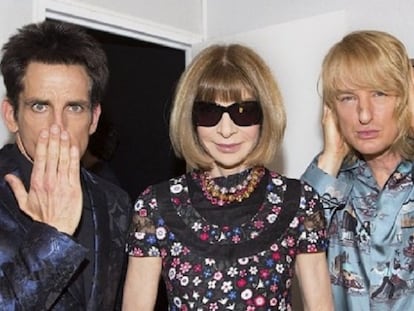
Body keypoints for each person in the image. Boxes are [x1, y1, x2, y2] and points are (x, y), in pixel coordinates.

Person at [122, 44, 333, 310]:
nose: (226, 130)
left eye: (243, 112)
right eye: (209, 112)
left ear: (265, 115)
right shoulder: (154, 206)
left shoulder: (299, 202)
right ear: (191, 118)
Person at [0, 21, 131, 310]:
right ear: (11, 115)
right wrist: (52, 233)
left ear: (94, 118)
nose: (57, 126)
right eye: (40, 106)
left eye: (74, 107)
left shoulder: (115, 203)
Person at [301, 30, 414, 310]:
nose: (364, 114)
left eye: (380, 93)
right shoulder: (326, 180)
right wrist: (331, 156)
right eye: (348, 98)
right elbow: (288, 254)